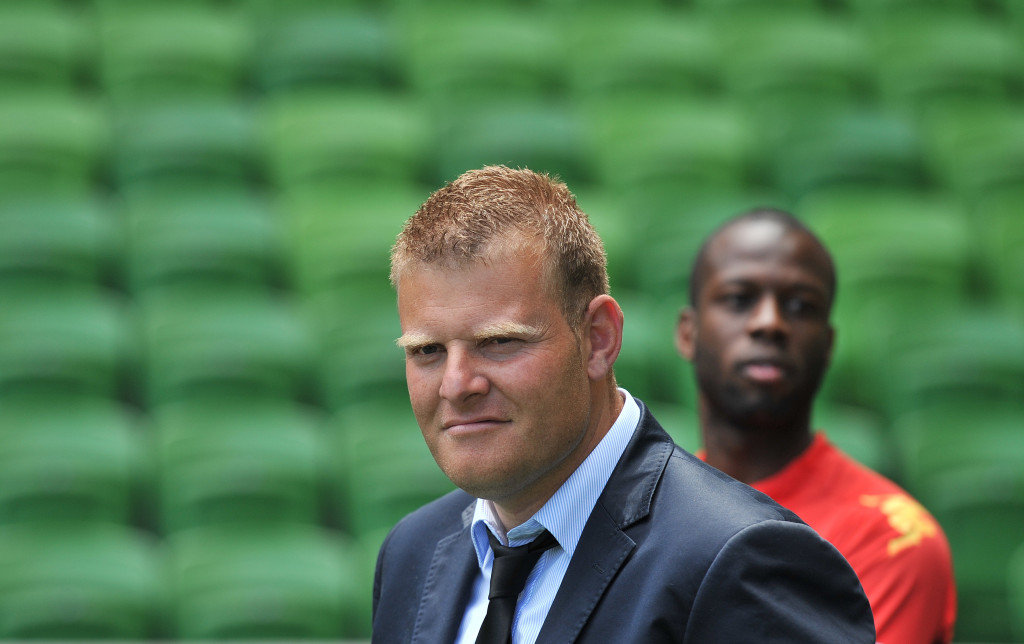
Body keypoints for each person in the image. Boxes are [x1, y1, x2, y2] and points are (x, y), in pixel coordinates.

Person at [372, 166, 874, 643]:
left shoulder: (743, 560)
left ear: (597, 339)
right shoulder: (411, 553)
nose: (457, 385)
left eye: (499, 342)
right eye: (427, 351)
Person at [674, 209, 957, 644]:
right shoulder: (651, 515)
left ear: (827, 346)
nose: (769, 322)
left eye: (800, 306)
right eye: (738, 298)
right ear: (688, 333)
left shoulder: (892, 541)